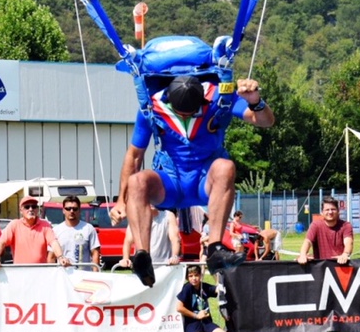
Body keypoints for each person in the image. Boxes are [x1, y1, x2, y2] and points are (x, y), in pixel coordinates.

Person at [111, 73, 274, 286]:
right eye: (182, 113)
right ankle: (142, 256)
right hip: (170, 181)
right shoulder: (152, 107)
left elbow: (266, 121)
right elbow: (134, 156)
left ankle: (215, 249)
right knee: (137, 181)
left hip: (203, 180)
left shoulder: (219, 100)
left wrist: (255, 101)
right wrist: (121, 200)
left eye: (192, 112)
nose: (187, 117)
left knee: (226, 167)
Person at [297, 196, 353, 332]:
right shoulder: (316, 225)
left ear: (338, 211)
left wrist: (345, 254)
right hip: (320, 274)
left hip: (340, 274)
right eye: (327, 209)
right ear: (322, 212)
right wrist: (302, 254)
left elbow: (348, 244)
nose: (330, 212)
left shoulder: (346, 225)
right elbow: (307, 241)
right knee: (321, 311)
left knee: (335, 313)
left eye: (333, 209)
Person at [0, 198, 69, 269]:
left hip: (40, 273)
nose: (31, 209)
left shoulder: (45, 225)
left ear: (37, 210)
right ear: (21, 210)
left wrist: (61, 257)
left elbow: (53, 242)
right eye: (27, 207)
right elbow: (1, 243)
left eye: (34, 206)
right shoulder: (14, 225)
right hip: (20, 273)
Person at [176, 264, 229, 332]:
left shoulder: (203, 286)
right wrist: (196, 316)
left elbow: (217, 290)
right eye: (190, 276)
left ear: (201, 275)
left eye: (196, 275)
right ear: (187, 277)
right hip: (191, 324)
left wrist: (220, 283)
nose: (194, 278)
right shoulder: (186, 288)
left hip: (206, 322)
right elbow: (179, 307)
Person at [50, 195, 101, 270]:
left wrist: (95, 275)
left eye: (75, 209)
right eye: (68, 208)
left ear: (79, 210)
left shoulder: (88, 228)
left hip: (83, 276)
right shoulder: (56, 230)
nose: (71, 211)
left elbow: (95, 254)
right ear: (63, 210)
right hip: (63, 276)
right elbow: (51, 257)